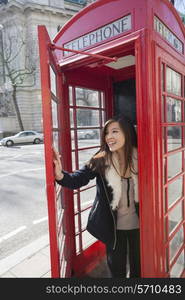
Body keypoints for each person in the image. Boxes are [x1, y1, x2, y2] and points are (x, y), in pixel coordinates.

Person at [53, 115, 140, 278]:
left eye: (115, 131)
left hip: (141, 227)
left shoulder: (143, 158)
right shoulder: (101, 159)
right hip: (113, 228)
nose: (109, 137)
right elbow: (77, 179)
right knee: (117, 272)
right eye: (106, 133)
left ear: (127, 134)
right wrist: (60, 175)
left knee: (139, 270)